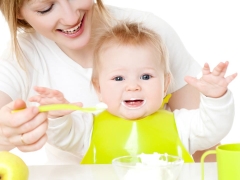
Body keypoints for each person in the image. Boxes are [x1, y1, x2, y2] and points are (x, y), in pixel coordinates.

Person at [0, 0, 215, 164]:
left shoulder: (149, 33)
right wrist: (6, 136)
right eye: (46, 8)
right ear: (18, 11)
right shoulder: (19, 58)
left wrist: (219, 100)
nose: (70, 17)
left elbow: (205, 144)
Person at [29, 22, 237, 164]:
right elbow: (63, 136)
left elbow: (213, 129)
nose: (133, 87)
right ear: (99, 88)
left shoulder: (181, 125)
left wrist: (215, 97)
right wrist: (57, 114)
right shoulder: (89, 127)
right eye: (118, 78)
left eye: (145, 77)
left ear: (165, 85)